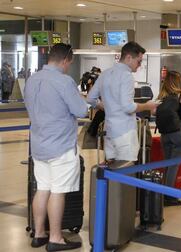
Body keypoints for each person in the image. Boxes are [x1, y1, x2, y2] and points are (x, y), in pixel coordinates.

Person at [24, 43, 88, 251]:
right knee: (58, 191)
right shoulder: (64, 81)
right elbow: (80, 110)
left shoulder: (32, 80)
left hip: (39, 146)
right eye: (70, 62)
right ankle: (56, 238)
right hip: (61, 147)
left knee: (42, 188)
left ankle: (39, 234)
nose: (69, 66)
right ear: (65, 60)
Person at [87, 42, 158, 162]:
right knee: (126, 173)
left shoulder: (105, 74)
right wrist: (147, 105)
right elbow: (128, 107)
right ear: (129, 57)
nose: (139, 65)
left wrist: (106, 106)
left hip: (109, 132)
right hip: (125, 134)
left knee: (111, 174)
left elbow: (90, 99)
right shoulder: (126, 76)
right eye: (139, 61)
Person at [157, 71, 181, 206]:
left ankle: (163, 192)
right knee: (174, 165)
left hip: (164, 133)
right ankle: (169, 197)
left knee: (167, 163)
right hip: (179, 132)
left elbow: (153, 111)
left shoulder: (162, 95)